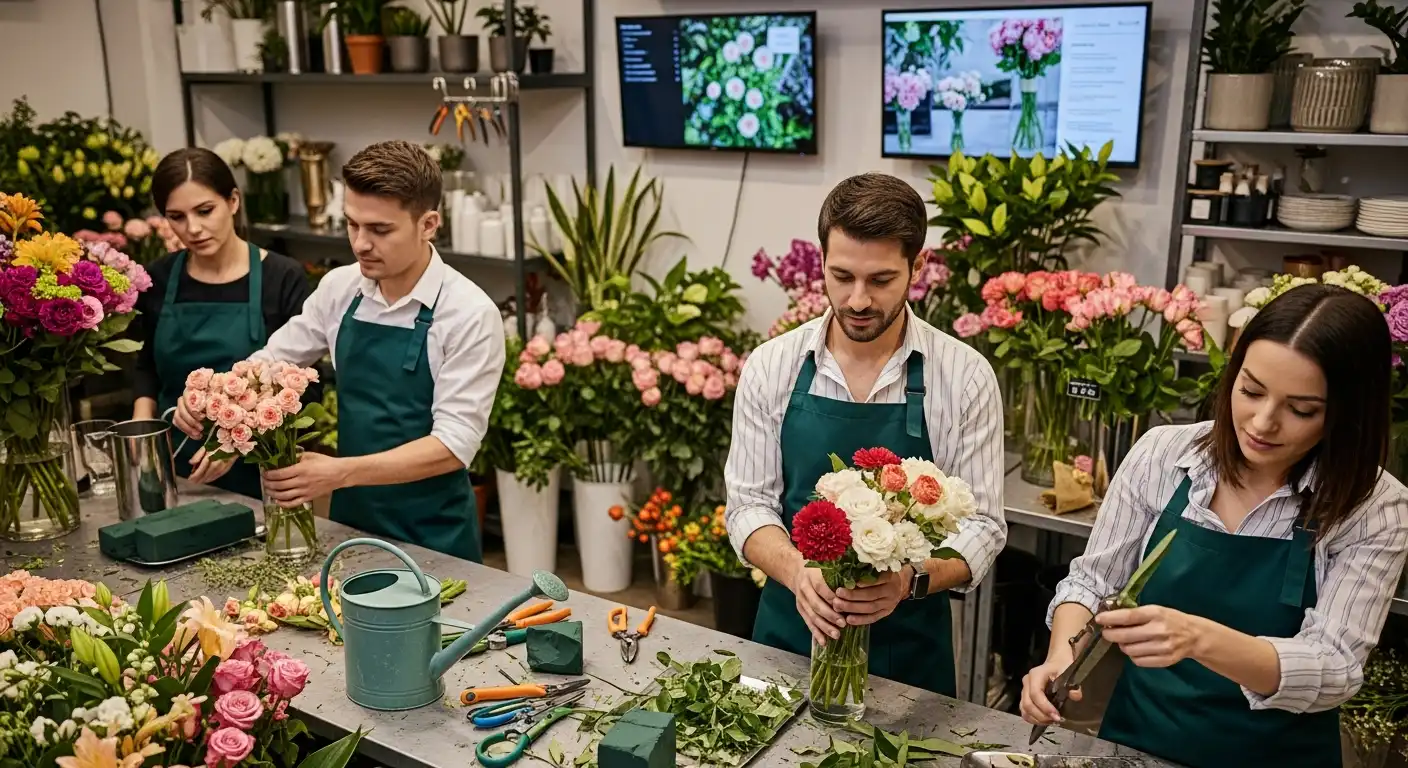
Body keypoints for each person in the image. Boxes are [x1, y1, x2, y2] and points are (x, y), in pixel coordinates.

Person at [1020, 284, 1408, 768]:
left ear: (1348, 413)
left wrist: (1198, 638)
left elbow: (1335, 667)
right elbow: (1092, 582)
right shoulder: (1163, 455)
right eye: (1250, 391)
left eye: (1301, 409)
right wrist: (1062, 659)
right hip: (1135, 744)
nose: (1263, 422)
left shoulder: (1376, 508)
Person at [724, 173, 1007, 696]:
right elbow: (747, 507)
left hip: (910, 653)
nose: (857, 300)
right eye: (841, 276)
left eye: (880, 280)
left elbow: (984, 526)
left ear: (917, 267)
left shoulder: (964, 377)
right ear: (822, 261)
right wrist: (798, 573)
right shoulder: (772, 367)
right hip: (789, 635)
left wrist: (907, 581)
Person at [174, 140, 505, 561]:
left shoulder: (469, 314)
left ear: (429, 224)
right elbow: (271, 364)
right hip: (349, 526)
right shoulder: (340, 289)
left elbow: (453, 446)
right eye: (352, 225)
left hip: (433, 537)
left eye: (380, 230)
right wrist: (210, 396)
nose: (361, 244)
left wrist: (338, 472)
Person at [133, 148, 313, 499]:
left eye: (205, 211)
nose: (194, 229)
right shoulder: (158, 277)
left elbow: (305, 387)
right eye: (177, 217)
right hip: (174, 468)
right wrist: (142, 446)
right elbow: (146, 368)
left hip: (260, 469)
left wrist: (234, 440)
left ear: (233, 201)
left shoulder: (282, 278)